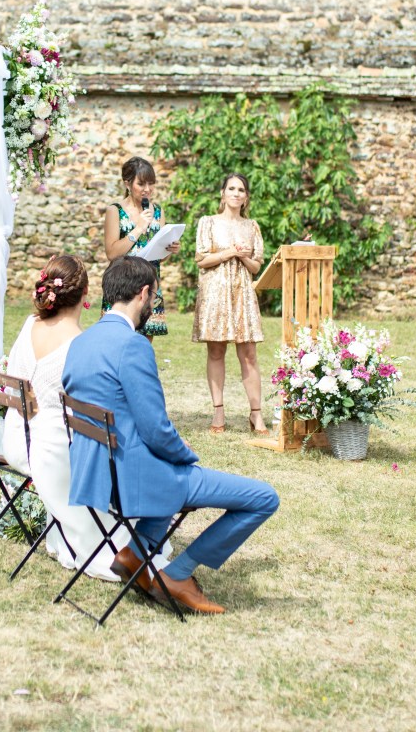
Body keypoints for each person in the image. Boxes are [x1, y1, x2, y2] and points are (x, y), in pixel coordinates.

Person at [62, 256, 279, 615]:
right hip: (137, 478)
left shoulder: (81, 342)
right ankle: (178, 574)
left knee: (167, 465)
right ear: (144, 294)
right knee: (264, 497)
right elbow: (156, 429)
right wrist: (185, 454)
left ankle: (135, 552)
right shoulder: (133, 345)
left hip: (97, 472)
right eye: (154, 297)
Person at [1, 254, 128, 581]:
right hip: (52, 454)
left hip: (15, 440)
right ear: (85, 294)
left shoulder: (29, 325)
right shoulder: (81, 342)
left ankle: (62, 533)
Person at [192, 173, 268, 435]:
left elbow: (256, 267)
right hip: (215, 292)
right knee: (216, 351)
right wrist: (230, 252)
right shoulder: (208, 222)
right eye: (232, 188)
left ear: (246, 197)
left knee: (249, 354)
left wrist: (244, 257)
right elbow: (201, 260)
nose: (236, 193)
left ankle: (256, 413)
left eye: (241, 190)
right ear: (222, 193)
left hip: (242, 293)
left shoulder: (252, 226)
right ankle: (218, 410)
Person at [103, 156, 179, 339]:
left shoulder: (158, 211)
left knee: (144, 341)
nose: (147, 189)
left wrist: (169, 248)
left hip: (149, 283)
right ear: (127, 184)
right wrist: (138, 228)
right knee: (118, 337)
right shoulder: (115, 211)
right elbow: (111, 253)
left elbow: (159, 256)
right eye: (141, 184)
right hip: (123, 284)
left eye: (151, 183)